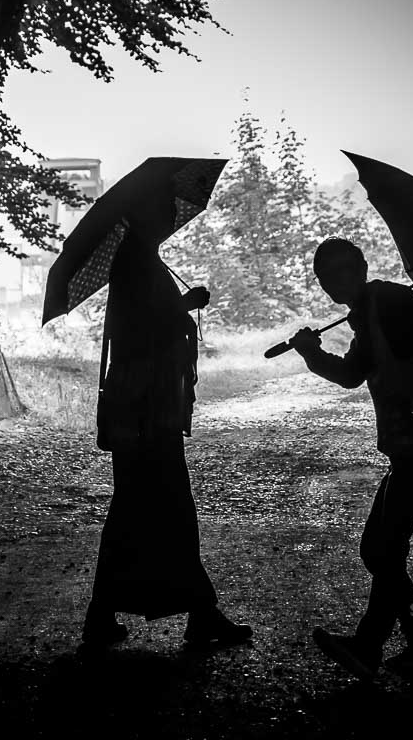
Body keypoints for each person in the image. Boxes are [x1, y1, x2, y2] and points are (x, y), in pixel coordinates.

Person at [288, 237, 413, 678]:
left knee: (383, 550)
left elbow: (353, 372)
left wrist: (312, 351)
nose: (335, 284)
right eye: (327, 278)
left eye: (343, 272)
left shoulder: (385, 302)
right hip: (409, 441)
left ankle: (375, 645)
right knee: (379, 549)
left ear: (363, 267)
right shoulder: (376, 305)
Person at [82, 210, 252, 648]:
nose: (171, 216)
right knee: (167, 506)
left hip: (142, 411)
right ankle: (199, 614)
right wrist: (185, 304)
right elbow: (139, 330)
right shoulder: (136, 262)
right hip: (146, 412)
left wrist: (179, 305)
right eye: (164, 208)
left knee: (139, 508)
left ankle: (109, 615)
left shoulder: (139, 259)